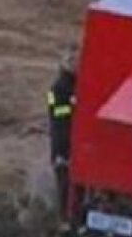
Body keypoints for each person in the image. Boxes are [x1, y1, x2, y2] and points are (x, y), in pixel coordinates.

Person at [47, 47, 77, 228]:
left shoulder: (74, 84)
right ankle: (65, 221)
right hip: (63, 146)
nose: (77, 64)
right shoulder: (59, 88)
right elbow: (58, 117)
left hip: (72, 145)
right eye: (73, 61)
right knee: (65, 185)